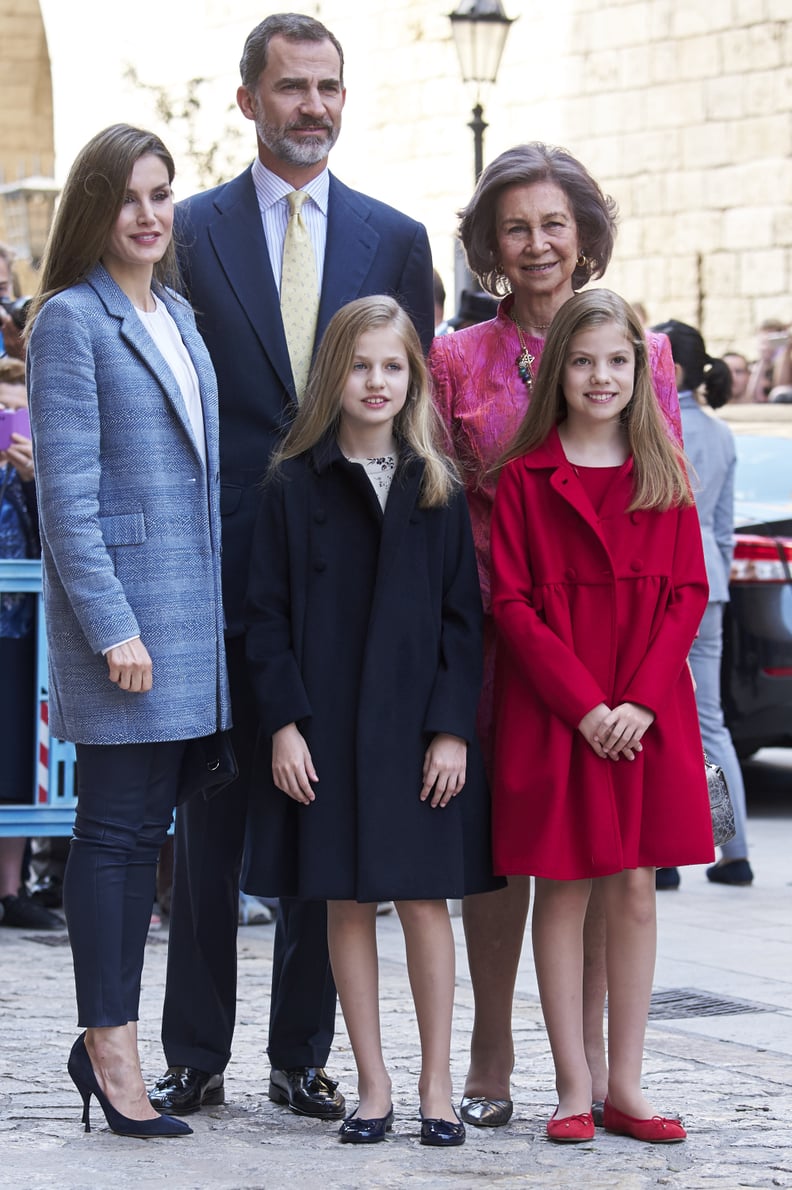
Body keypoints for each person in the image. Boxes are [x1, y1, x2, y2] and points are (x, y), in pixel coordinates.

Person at [149, 13, 434, 1120]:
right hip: (219, 571)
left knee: (333, 816)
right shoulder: (189, 231)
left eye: (329, 87)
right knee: (210, 823)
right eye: (291, 87)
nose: (312, 105)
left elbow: (402, 414)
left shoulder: (395, 238)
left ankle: (304, 1053)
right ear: (248, 100)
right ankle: (196, 1052)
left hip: (347, 583)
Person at [427, 142, 681, 1127]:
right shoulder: (457, 358)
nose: (536, 244)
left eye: (554, 224)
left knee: (600, 857)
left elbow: (654, 494)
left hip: (606, 641)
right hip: (497, 630)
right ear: (491, 242)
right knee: (502, 854)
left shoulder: (637, 349)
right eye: (516, 226)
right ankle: (492, 1051)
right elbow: (440, 504)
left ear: (585, 234)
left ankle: (593, 1074)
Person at [243, 294, 498, 1146]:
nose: (376, 381)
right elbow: (266, 617)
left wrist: (453, 729)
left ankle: (434, 1084)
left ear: (414, 378)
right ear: (333, 376)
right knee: (345, 905)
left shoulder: (438, 489)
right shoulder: (292, 485)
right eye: (359, 365)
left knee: (425, 902)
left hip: (422, 739)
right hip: (326, 735)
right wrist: (284, 723)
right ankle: (373, 1084)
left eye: (393, 366)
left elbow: (465, 621)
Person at [26, 123, 230, 1138]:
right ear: (95, 207)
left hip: (196, 627)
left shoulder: (180, 316)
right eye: (127, 196)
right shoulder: (71, 319)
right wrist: (113, 626)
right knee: (112, 838)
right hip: (131, 631)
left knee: (151, 831)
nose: (149, 214)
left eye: (162, 194)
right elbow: (69, 499)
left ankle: (111, 1038)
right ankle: (110, 1046)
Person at [491, 289, 712, 1143]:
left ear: (641, 371)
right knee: (563, 887)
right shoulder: (524, 479)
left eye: (617, 360)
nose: (600, 376)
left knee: (635, 890)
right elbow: (511, 604)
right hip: (560, 713)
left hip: (646, 716)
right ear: (558, 370)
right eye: (583, 360)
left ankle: (628, 1083)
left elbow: (687, 595)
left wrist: (639, 704)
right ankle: (572, 1087)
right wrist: (586, 706)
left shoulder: (664, 473)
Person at [651, 320, 753, 888]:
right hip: (712, 584)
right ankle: (732, 850)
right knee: (710, 722)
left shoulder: (657, 428)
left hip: (668, 586)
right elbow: (722, 529)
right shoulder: (721, 433)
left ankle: (665, 854)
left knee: (660, 714)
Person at [0, 357, 63, 930]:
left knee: (19, 754)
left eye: (22, 409)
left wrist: (28, 478)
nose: (13, 418)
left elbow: (54, 532)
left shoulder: (38, 466)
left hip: (21, 629)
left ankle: (11, 887)